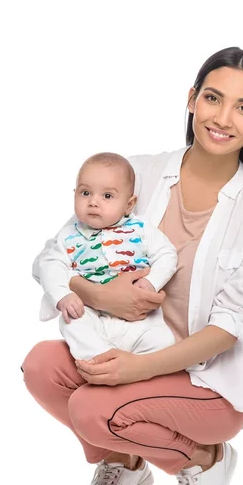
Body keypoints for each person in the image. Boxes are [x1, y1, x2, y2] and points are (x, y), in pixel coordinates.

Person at [22, 46, 243, 485]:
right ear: (192, 100)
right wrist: (105, 297)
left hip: (202, 382)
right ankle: (124, 466)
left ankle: (206, 459)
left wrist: (138, 368)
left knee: (89, 407)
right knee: (42, 365)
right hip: (118, 344)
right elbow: (52, 256)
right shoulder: (136, 174)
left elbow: (228, 327)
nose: (224, 117)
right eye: (213, 98)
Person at [38, 152, 177, 361]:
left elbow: (167, 254)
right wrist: (62, 296)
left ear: (129, 205)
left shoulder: (141, 228)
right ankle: (99, 361)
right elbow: (48, 265)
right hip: (91, 313)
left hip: (139, 319)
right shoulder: (69, 235)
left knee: (163, 340)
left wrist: (151, 282)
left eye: (107, 196)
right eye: (85, 193)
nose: (93, 202)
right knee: (73, 323)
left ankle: (137, 368)